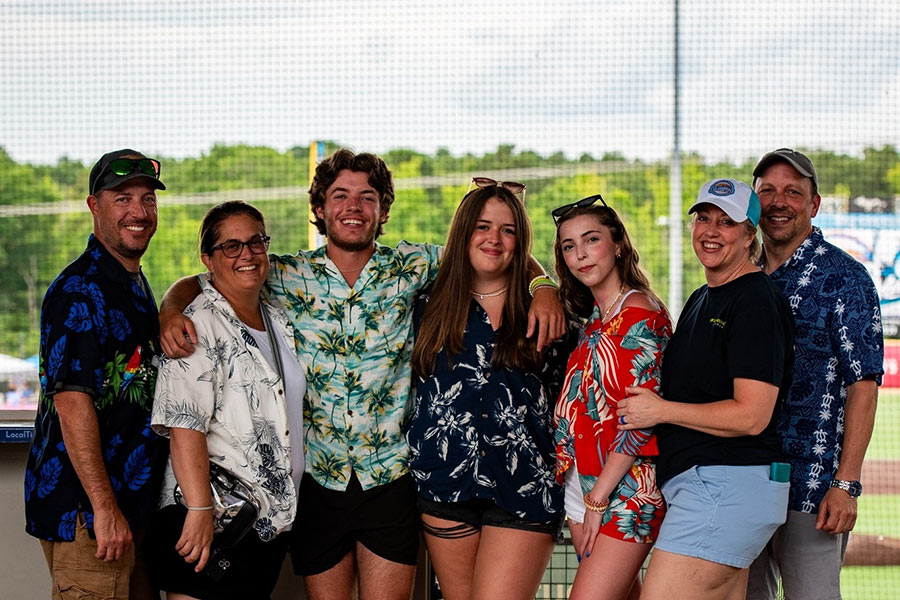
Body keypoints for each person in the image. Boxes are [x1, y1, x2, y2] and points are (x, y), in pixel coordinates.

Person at [157, 151, 565, 600]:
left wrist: (543, 285)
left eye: (367, 197)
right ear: (320, 208)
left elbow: (493, 248)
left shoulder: (413, 265)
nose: (353, 206)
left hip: (389, 479)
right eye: (340, 196)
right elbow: (204, 279)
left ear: (383, 210)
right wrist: (171, 308)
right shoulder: (284, 273)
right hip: (317, 482)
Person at [617, 178, 795, 600]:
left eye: (727, 222)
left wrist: (661, 410)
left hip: (724, 484)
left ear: (749, 235)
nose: (711, 231)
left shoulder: (754, 299)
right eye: (703, 218)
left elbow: (751, 415)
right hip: (712, 485)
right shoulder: (703, 296)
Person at [405, 182, 570, 600]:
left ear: (521, 242)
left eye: (508, 230)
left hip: (523, 485)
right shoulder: (424, 305)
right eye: (482, 226)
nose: (494, 239)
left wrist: (543, 284)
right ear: (464, 232)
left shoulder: (546, 311)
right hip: (444, 484)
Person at [23, 149, 169, 599]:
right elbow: (72, 403)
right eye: (122, 199)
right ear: (94, 205)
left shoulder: (131, 282)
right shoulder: (80, 291)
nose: (138, 212)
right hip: (90, 517)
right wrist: (103, 509)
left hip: (129, 509)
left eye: (147, 200)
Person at [145, 201, 305, 599]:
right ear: (208, 260)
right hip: (211, 527)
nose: (246, 254)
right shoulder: (197, 325)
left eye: (256, 242)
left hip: (262, 526)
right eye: (231, 246)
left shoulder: (276, 319)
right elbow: (185, 425)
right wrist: (199, 511)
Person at [746, 149, 884, 600]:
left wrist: (845, 484)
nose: (778, 202)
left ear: (814, 204)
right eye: (767, 191)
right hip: (744, 481)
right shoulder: (741, 275)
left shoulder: (845, 278)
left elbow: (863, 384)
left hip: (813, 487)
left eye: (792, 192)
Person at [551, 195, 670, 600]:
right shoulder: (595, 319)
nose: (580, 254)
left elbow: (640, 417)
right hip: (583, 483)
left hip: (624, 491)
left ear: (617, 244)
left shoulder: (638, 312)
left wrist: (597, 499)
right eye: (569, 246)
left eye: (591, 240)